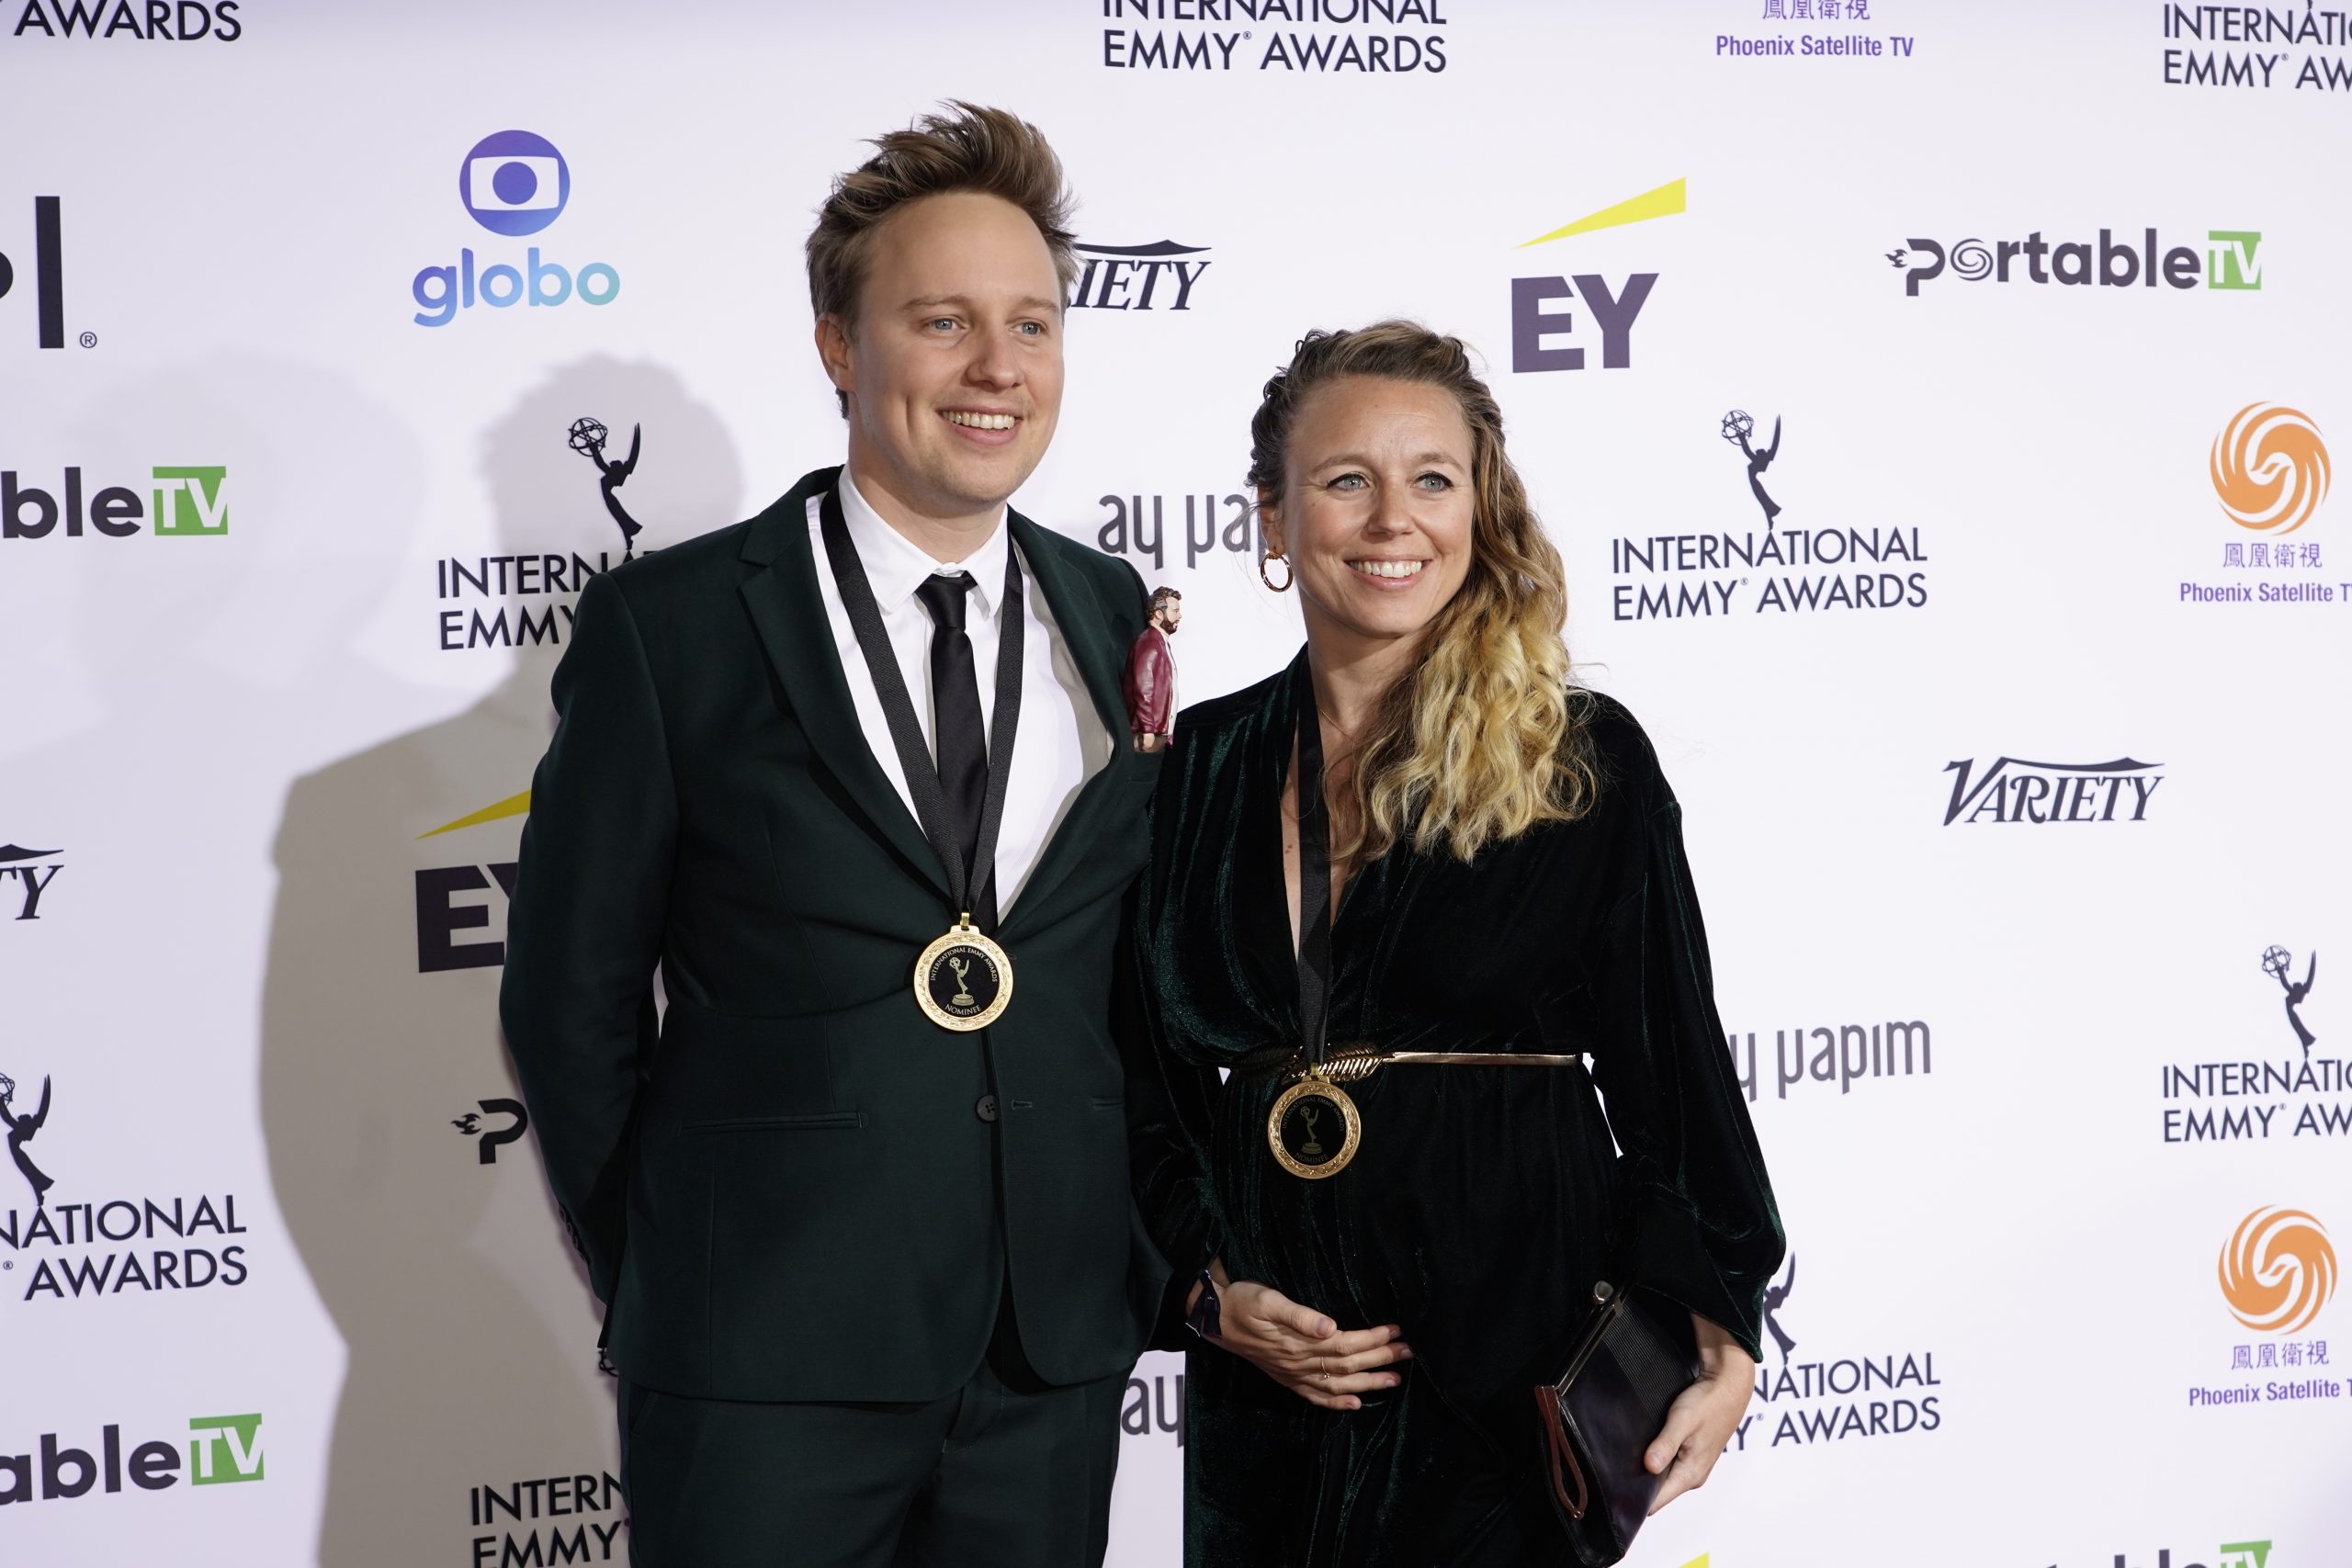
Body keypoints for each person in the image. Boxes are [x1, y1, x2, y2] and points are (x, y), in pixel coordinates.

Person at [501, 104, 1167, 1568]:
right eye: (942, 320)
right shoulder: (671, 629)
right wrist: (683, 1259)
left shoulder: (1113, 609)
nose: (1000, 368)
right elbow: (567, 996)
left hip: (1042, 1359)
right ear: (837, 345)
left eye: (1033, 324)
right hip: (759, 1354)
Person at [1121, 321, 1785, 1565]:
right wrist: (1210, 1294)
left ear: (1479, 508)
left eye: (1432, 478)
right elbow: (1138, 1078)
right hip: (1277, 1379)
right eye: (1343, 480)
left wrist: (1722, 1315)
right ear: (1271, 518)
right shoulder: (1191, 769)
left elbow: (1674, 1064)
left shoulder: (1576, 756)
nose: (1392, 520)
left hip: (1506, 1353)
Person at [1125, 586, 1182, 752]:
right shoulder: (1150, 644)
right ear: (1158, 613)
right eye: (1175, 611)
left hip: (1158, 733)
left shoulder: (1160, 643)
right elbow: (1144, 690)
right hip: (1147, 736)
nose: (1179, 616)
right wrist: (1148, 729)